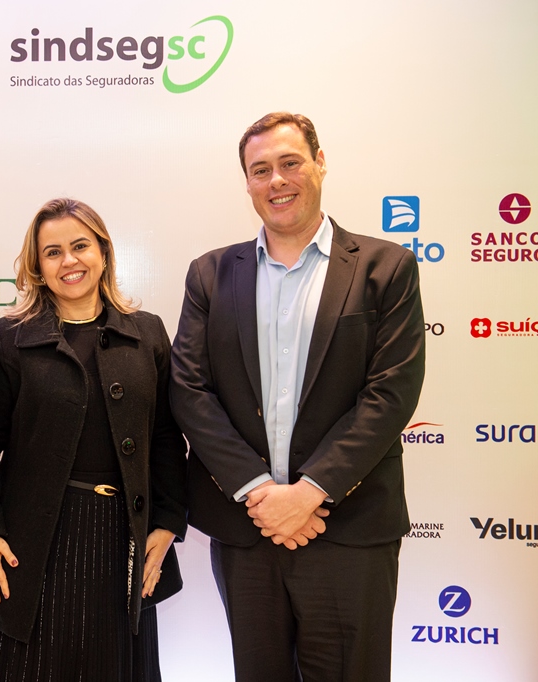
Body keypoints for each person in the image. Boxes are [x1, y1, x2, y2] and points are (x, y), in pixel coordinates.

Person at [170, 112, 426, 681]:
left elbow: (391, 392)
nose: (277, 181)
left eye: (290, 163)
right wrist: (261, 492)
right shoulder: (210, 274)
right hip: (248, 527)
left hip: (348, 527)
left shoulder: (386, 268)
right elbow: (190, 389)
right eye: (260, 170)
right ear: (247, 182)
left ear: (320, 163)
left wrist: (310, 492)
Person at [0, 198, 188, 681]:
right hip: (29, 543)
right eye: (53, 252)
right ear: (38, 267)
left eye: (81, 246)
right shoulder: (6, 337)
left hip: (122, 538)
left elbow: (166, 438)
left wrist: (168, 522)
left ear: (103, 253)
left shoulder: (147, 332)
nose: (69, 261)